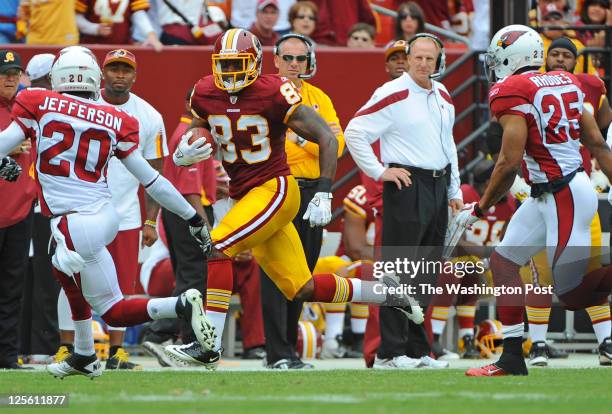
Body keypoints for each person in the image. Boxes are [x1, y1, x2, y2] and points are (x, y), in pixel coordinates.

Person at [163, 28, 421, 367]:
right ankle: (387, 294)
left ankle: (208, 345)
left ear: (254, 63)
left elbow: (327, 139)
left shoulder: (274, 92)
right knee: (301, 287)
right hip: (245, 195)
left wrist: (326, 193)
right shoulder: (204, 90)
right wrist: (189, 145)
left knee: (218, 247)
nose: (230, 74)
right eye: (223, 66)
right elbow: (201, 123)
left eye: (237, 65)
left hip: (275, 188)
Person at [0, 46, 216, 378]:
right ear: (95, 77)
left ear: (59, 76)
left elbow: (4, 144)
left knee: (60, 256)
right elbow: (152, 179)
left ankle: (84, 350)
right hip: (104, 214)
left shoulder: (39, 102)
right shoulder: (119, 119)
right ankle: (167, 312)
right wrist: (190, 217)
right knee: (109, 308)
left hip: (73, 220)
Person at [457, 24, 612, 377]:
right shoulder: (569, 81)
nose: (495, 66)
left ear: (513, 57)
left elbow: (508, 162)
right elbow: (598, 143)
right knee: (504, 262)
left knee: (572, 292)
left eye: (498, 59)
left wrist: (480, 208)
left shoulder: (510, 89)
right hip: (551, 193)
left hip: (564, 193)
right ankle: (512, 356)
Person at [345, 34, 461, 369]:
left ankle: (418, 350)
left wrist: (453, 190)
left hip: (438, 184)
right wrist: (380, 171)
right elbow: (355, 131)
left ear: (439, 61)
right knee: (397, 271)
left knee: (425, 272)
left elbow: (448, 144)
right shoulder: (392, 92)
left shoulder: (442, 93)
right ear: (408, 58)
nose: (424, 63)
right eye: (419, 57)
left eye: (431, 58)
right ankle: (389, 352)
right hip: (408, 182)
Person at [54, 48, 169, 370]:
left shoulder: (149, 115)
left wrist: (150, 220)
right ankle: (68, 345)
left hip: (125, 212)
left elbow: (155, 172)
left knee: (122, 283)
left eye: (126, 69)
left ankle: (117, 350)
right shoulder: (84, 105)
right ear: (102, 73)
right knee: (71, 277)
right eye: (114, 69)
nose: (120, 75)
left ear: (135, 74)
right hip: (82, 207)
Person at [522, 36, 612, 367]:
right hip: (543, 189)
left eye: (566, 56)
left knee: (588, 269)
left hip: (576, 187)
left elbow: (602, 130)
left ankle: (606, 342)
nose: (560, 60)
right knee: (542, 274)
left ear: (577, 60)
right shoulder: (528, 85)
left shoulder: (590, 85)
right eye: (554, 54)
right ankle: (539, 344)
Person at [258, 33, 345, 369]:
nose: (295, 64)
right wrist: (317, 139)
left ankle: (288, 350)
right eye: (288, 58)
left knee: (304, 272)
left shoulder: (318, 97)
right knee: (274, 270)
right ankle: (276, 351)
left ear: (309, 62)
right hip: (276, 188)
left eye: (301, 59)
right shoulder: (262, 94)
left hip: (313, 191)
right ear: (276, 59)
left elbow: (336, 146)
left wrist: (303, 138)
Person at [19, 53, 58, 365]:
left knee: (22, 275)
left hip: (21, 199)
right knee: (47, 276)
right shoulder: (48, 105)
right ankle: (42, 345)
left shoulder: (19, 103)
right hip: (43, 201)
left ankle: (17, 345)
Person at [0, 49, 36, 370]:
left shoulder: (26, 110)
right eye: (5, 73)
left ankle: (8, 356)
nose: (10, 78)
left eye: (15, 73)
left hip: (20, 212)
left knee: (13, 288)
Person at [75, 0, 163, 51]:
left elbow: (138, 14)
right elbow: (75, 17)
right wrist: (95, 29)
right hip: (93, 48)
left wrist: (151, 35)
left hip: (123, 48)